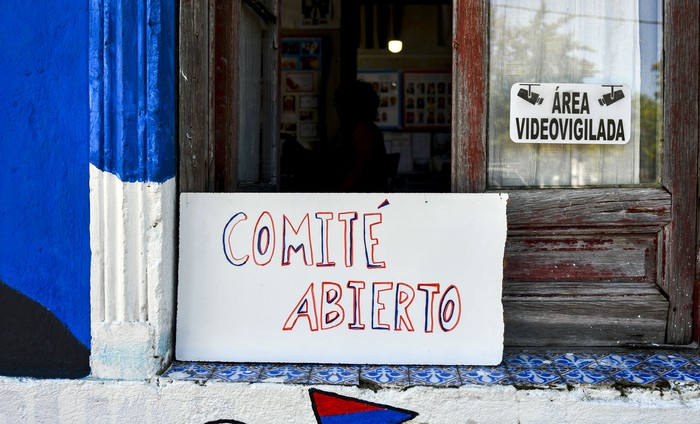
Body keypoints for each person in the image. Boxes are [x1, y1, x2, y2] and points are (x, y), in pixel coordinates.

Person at [326, 80, 388, 192]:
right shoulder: (350, 130)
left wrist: (335, 196)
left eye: (340, 105)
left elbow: (357, 172)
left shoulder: (365, 131)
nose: (337, 110)